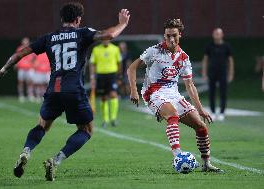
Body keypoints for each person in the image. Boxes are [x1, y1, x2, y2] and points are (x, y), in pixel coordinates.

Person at [0, 2, 130, 181]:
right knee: (86, 130)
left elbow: (21, 53)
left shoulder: (49, 37)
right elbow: (109, 34)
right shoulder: (82, 32)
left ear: (62, 19)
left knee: (42, 125)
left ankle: (26, 151)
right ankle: (56, 160)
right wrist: (123, 23)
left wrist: (3, 69)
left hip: (54, 88)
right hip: (74, 89)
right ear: (78, 19)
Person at [127, 19, 223, 173]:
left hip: (174, 95)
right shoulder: (154, 51)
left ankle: (206, 164)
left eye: (174, 35)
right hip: (153, 93)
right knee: (172, 114)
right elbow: (132, 68)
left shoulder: (184, 58)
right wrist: (133, 90)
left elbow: (190, 85)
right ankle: (178, 156)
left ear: (180, 35)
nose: (171, 39)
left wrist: (200, 109)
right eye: (167, 36)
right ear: (164, 36)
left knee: (201, 127)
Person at [202, 28, 234, 121]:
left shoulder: (226, 46)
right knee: (212, 93)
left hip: (223, 72)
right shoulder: (209, 46)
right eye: (215, 33)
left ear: (222, 35)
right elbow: (205, 59)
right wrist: (204, 72)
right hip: (212, 73)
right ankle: (212, 112)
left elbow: (230, 61)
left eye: (218, 33)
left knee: (223, 93)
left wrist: (231, 73)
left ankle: (222, 113)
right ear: (213, 35)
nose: (216, 35)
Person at [90, 40, 121, 127]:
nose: (106, 40)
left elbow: (119, 63)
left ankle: (113, 118)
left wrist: (119, 76)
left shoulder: (115, 49)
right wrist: (92, 77)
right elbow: (92, 64)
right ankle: (105, 119)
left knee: (113, 95)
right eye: (104, 38)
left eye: (107, 38)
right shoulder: (96, 49)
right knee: (104, 97)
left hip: (112, 75)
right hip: (101, 75)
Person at [15, 38, 36, 103]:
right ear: (22, 42)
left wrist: (33, 64)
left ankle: (30, 95)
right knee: (20, 82)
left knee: (30, 82)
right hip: (21, 68)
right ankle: (21, 95)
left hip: (29, 68)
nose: (25, 43)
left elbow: (34, 58)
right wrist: (16, 64)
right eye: (24, 42)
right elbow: (16, 57)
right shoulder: (19, 49)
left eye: (26, 42)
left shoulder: (31, 48)